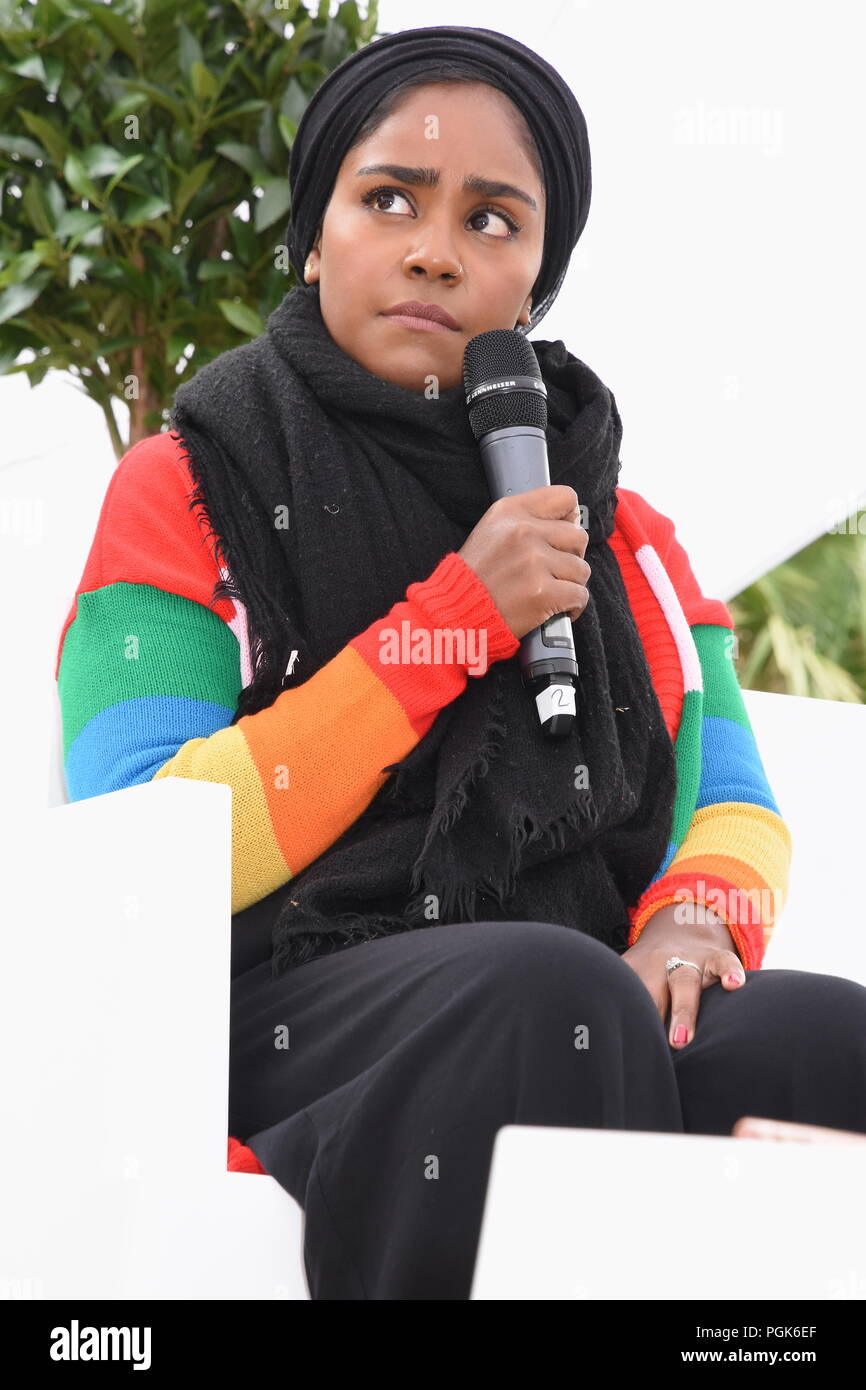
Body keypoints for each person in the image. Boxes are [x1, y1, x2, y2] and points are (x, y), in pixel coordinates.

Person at [55, 26, 866, 1300]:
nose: (436, 247)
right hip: (281, 1002)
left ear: (535, 282)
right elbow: (139, 849)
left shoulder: (626, 537)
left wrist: (689, 928)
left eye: (494, 221)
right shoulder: (191, 487)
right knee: (551, 999)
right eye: (389, 199)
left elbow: (734, 810)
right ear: (316, 236)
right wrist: (448, 623)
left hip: (577, 976)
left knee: (825, 1035)